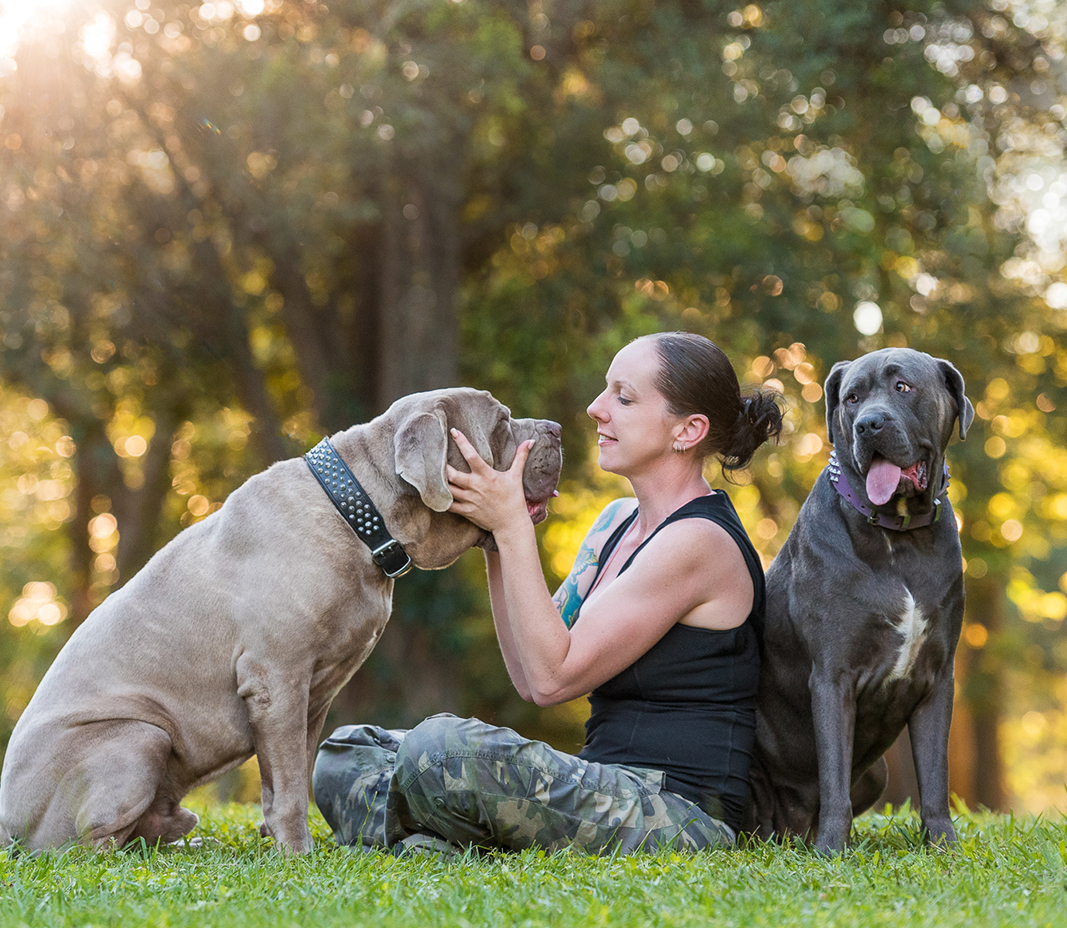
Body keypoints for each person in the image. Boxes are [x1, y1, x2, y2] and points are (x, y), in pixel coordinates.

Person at [312, 332, 783, 856]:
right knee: (344, 753)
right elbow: (528, 674)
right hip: (598, 783)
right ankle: (436, 843)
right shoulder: (615, 524)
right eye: (605, 391)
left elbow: (552, 678)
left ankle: (432, 841)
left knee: (440, 752)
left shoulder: (699, 542)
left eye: (623, 398)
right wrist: (493, 538)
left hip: (675, 816)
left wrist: (513, 526)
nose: (596, 409)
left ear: (688, 430)